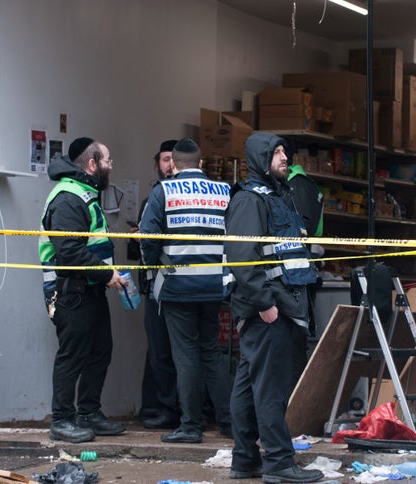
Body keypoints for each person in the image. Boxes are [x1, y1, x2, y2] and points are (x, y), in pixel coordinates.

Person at [223, 132, 323, 483]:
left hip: (278, 307)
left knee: (250, 387)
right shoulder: (250, 201)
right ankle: (280, 463)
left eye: (284, 152)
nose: (284, 158)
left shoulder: (279, 196)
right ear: (259, 159)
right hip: (268, 309)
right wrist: (265, 304)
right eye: (276, 153)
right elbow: (242, 258)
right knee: (270, 389)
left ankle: (245, 459)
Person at [139, 137, 233, 444]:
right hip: (213, 286)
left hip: (177, 285)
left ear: (174, 165)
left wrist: (153, 269)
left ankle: (191, 426)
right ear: (201, 164)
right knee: (212, 353)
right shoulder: (223, 191)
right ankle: (229, 421)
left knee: (185, 356)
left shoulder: (163, 191)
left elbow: (148, 237)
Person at [38, 137, 127, 443]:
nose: (110, 166)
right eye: (107, 161)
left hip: (90, 290)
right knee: (72, 356)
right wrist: (106, 274)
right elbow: (69, 251)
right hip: (71, 291)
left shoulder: (85, 194)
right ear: (92, 165)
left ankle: (88, 413)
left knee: (99, 352)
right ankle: (62, 420)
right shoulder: (68, 198)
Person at [138, 139, 181, 430]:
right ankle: (156, 407)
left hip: (181, 286)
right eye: (165, 159)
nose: (169, 165)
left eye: (174, 159)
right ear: (157, 163)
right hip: (156, 286)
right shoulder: (150, 198)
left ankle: (178, 411)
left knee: (181, 352)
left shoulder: (186, 197)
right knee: (157, 351)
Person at [285, 141, 325, 392]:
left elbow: (302, 231)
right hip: (298, 274)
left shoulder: (296, 187)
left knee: (293, 345)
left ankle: (292, 406)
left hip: (295, 277)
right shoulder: (305, 186)